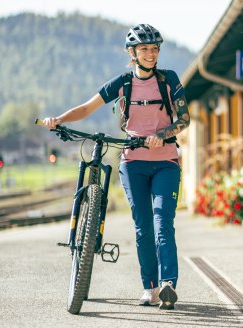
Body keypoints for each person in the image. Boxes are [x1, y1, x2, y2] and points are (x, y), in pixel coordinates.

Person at [42, 23, 190, 310]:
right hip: (133, 163)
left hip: (166, 163)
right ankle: (150, 288)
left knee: (162, 222)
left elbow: (184, 118)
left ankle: (168, 283)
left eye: (155, 48)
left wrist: (161, 135)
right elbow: (87, 107)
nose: (151, 53)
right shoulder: (122, 83)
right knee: (143, 227)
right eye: (145, 49)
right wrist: (58, 119)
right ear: (132, 52)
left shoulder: (169, 79)